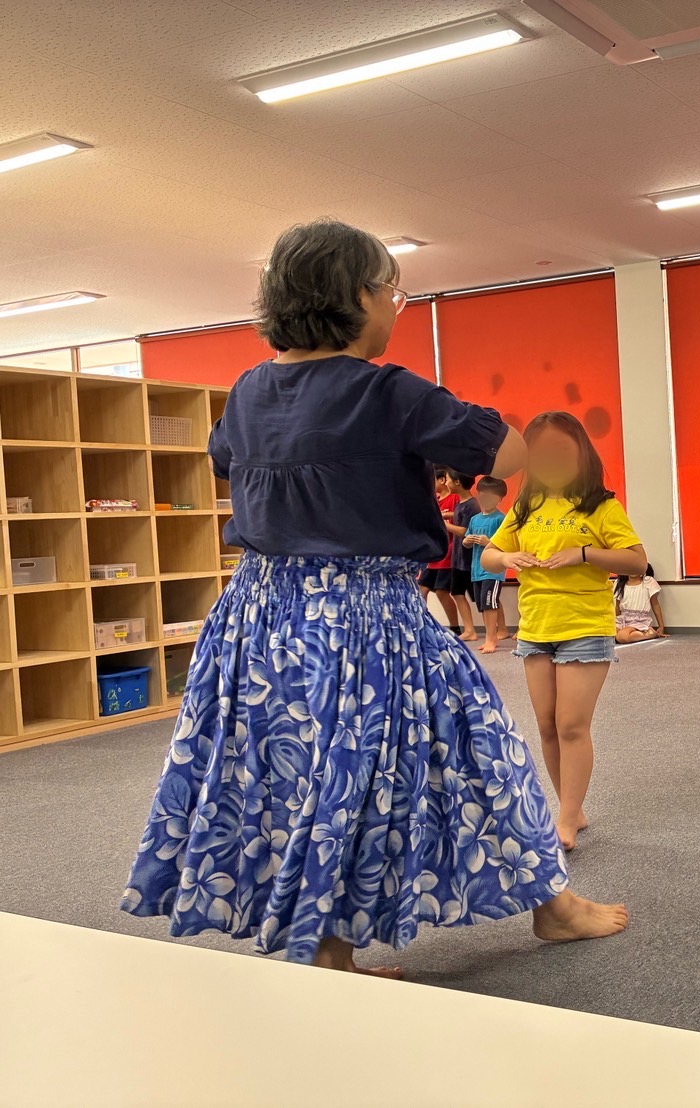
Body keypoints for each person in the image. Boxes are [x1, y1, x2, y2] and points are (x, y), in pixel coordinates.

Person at [120, 219, 628, 976]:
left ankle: (344, 944)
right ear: (359, 296)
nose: (396, 306)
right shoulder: (388, 391)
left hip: (258, 616)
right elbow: (509, 450)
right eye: (394, 292)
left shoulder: (250, 389)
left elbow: (226, 457)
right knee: (469, 749)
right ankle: (516, 911)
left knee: (302, 771)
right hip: (363, 618)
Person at [482, 411, 646, 851]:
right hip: (536, 626)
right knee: (548, 725)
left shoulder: (602, 507)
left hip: (584, 626)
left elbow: (636, 560)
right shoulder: (525, 507)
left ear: (580, 454)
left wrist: (585, 553)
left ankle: (567, 818)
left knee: (572, 725)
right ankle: (572, 807)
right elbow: (490, 556)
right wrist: (507, 559)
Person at [463, 476, 509, 654]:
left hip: (493, 570)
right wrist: (467, 540)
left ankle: (491, 638)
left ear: (499, 499)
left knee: (490, 604)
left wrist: (487, 542)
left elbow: (506, 545)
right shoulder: (475, 519)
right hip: (476, 570)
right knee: (482, 605)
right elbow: (466, 541)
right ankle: (491, 636)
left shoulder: (501, 519)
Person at [418, 467, 460, 634]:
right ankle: (421, 625)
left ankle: (455, 627)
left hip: (448, 553)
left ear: (442, 480)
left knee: (442, 591)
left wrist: (445, 518)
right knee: (421, 589)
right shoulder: (433, 499)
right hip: (432, 554)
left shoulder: (455, 498)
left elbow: (462, 516)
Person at [445, 470, 481, 642]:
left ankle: (500, 628)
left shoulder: (472, 505)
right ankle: (469, 629)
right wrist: (447, 515)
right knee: (457, 593)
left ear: (457, 482)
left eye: (448, 480)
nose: (446, 483)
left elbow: (466, 531)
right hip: (458, 559)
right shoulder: (462, 503)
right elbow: (460, 516)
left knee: (481, 597)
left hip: (469, 559)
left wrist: (444, 525)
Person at [614, 563, 666, 643]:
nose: (633, 571)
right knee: (610, 635)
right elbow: (617, 607)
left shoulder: (648, 581)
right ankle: (630, 634)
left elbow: (655, 604)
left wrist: (661, 626)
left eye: (636, 568)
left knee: (622, 637)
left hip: (639, 620)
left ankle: (651, 633)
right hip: (622, 619)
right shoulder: (619, 583)